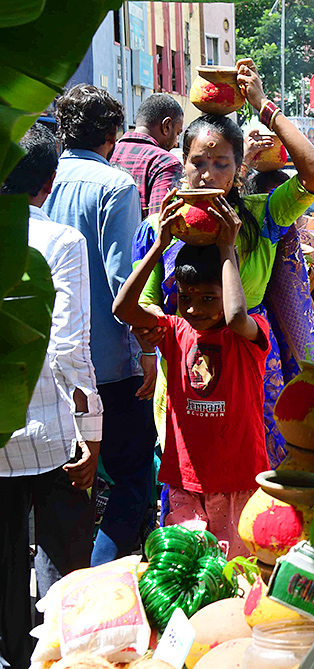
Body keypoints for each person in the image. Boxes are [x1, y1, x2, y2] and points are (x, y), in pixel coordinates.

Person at [132, 58, 314, 470]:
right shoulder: (160, 227)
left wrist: (263, 105)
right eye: (198, 162)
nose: (207, 175)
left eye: (221, 164)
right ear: (181, 162)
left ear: (239, 168)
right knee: (189, 480)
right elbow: (148, 302)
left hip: (251, 359)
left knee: (255, 478)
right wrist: (151, 326)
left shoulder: (260, 216)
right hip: (187, 368)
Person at [113, 194, 269, 558]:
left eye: (209, 298)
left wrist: (227, 248)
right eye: (186, 297)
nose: (195, 308)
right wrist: (159, 247)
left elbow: (233, 316)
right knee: (187, 569)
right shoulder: (174, 330)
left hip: (239, 480)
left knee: (233, 574)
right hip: (186, 482)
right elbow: (123, 308)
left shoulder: (249, 333)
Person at [0, 124, 102, 669]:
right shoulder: (61, 242)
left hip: (4, 435)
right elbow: (68, 346)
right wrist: (91, 431)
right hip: (50, 435)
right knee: (61, 566)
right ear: (50, 180)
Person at [42, 84, 157, 566]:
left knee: (71, 485)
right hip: (108, 365)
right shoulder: (115, 186)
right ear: (112, 134)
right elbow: (121, 283)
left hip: (49, 363)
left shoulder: (40, 181)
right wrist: (149, 349)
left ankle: (65, 588)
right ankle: (95, 579)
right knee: (133, 481)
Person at [110, 93, 184, 218]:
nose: (176, 143)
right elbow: (159, 223)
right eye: (177, 133)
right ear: (166, 126)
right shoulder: (166, 162)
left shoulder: (107, 152)